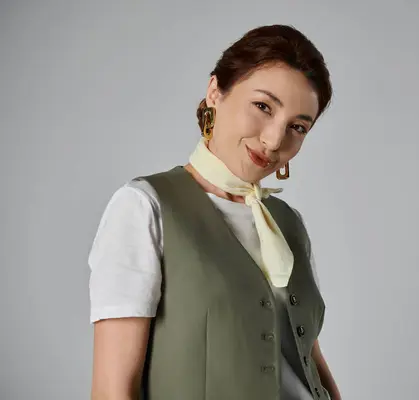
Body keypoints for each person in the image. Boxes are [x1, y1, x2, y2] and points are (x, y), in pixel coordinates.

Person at [88, 24, 341, 400]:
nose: (274, 140)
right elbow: (113, 390)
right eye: (262, 107)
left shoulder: (288, 224)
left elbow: (309, 360)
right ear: (215, 93)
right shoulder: (145, 207)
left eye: (297, 127)